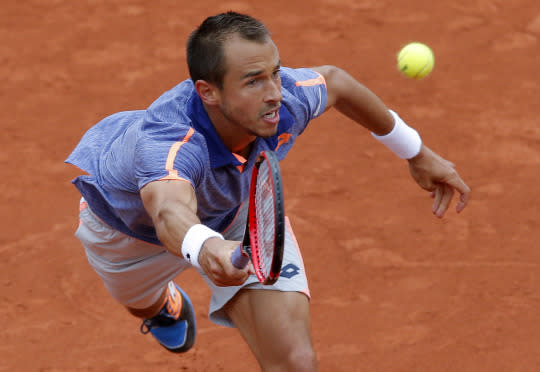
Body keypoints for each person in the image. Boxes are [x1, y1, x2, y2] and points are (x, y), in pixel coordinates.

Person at [66, 11, 470, 371]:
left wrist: (415, 151)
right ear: (208, 91)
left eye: (275, 73)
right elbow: (169, 211)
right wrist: (208, 249)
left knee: (295, 361)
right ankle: (164, 309)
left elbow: (337, 82)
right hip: (127, 235)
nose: (275, 92)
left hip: (240, 217)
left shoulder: (284, 99)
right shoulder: (170, 143)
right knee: (142, 300)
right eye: (254, 81)